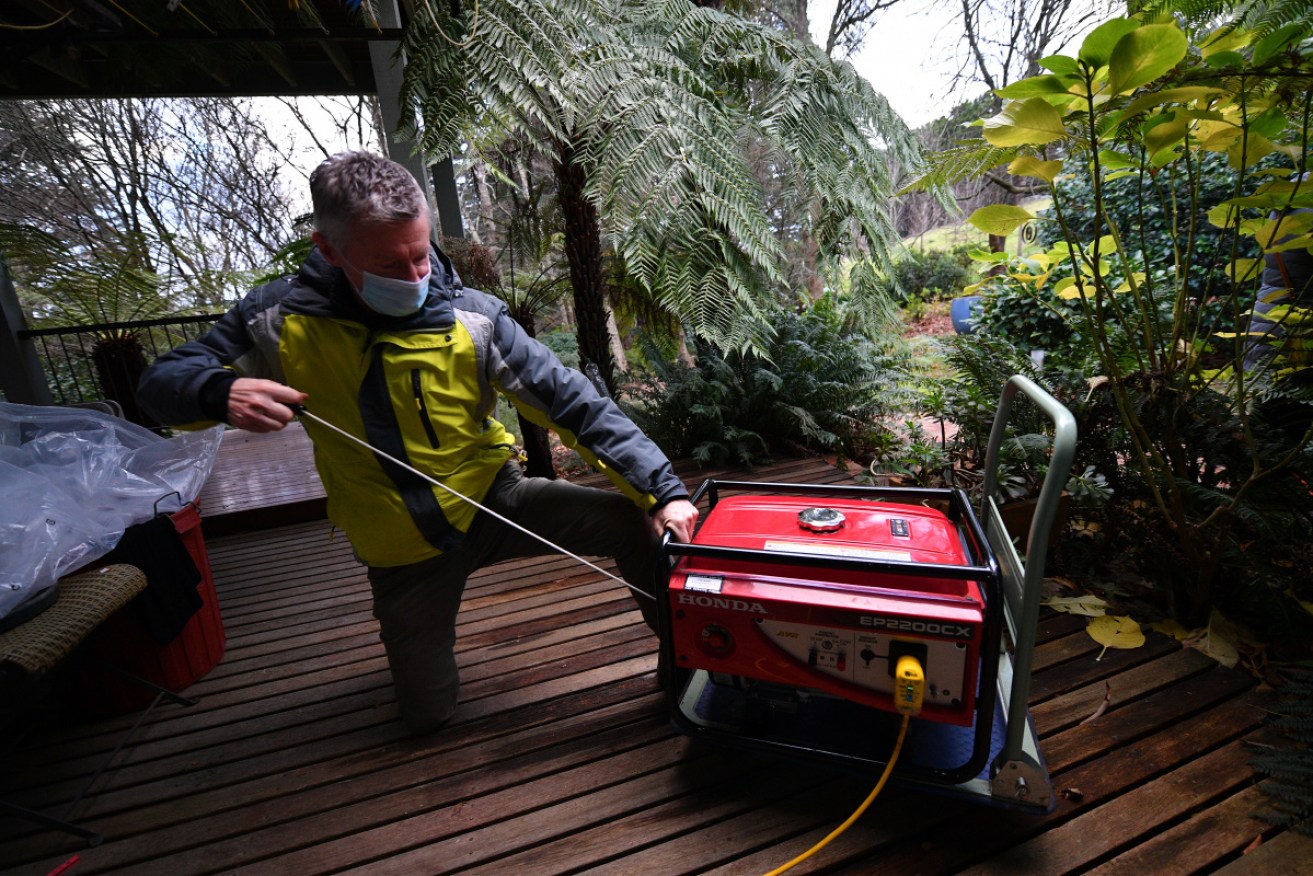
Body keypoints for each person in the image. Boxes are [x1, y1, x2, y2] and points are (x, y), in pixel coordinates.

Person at [138, 150, 698, 734]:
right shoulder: (276, 320)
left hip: (494, 499)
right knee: (429, 716)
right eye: (388, 263)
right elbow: (158, 385)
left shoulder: (474, 317)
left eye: (421, 254)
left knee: (640, 524)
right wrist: (215, 391)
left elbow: (573, 403)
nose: (413, 277)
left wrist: (661, 491)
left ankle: (688, 668)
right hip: (399, 544)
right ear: (328, 250)